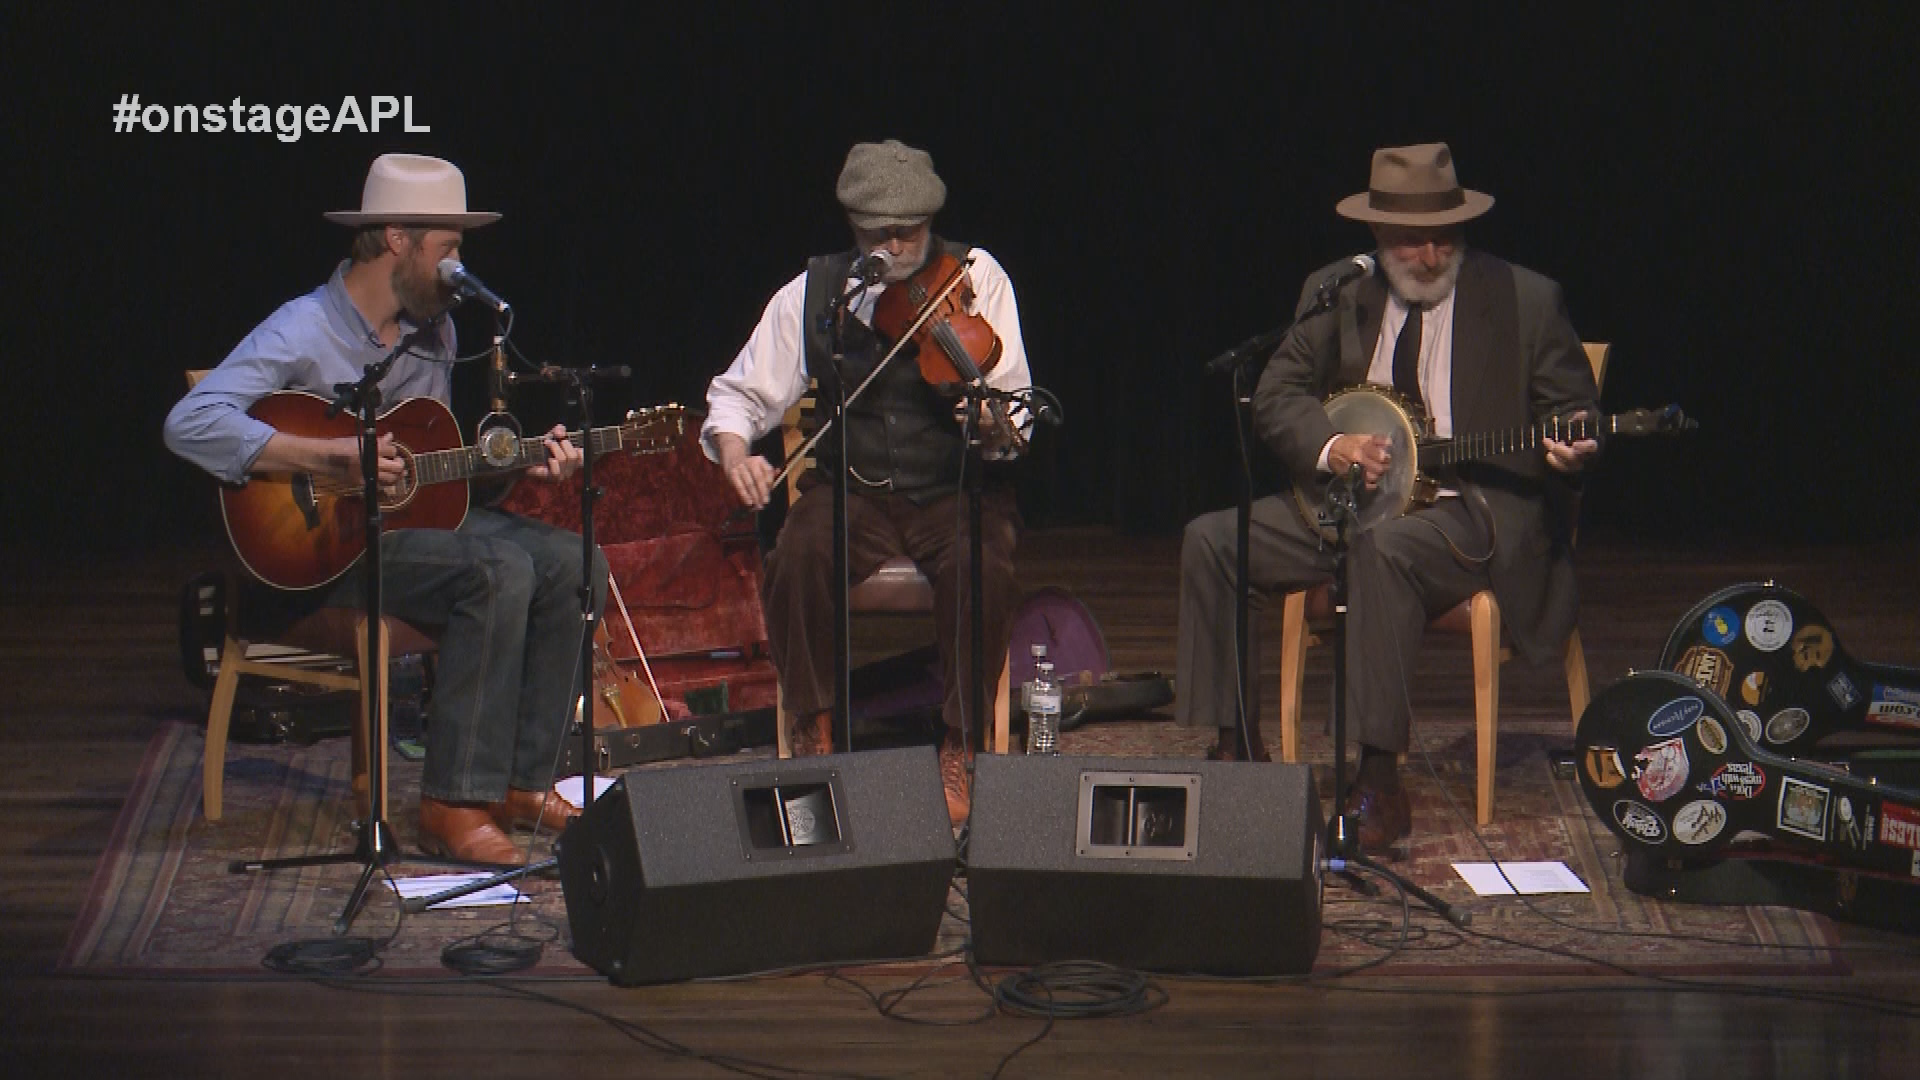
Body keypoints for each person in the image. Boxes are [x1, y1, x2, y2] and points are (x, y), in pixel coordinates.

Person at [165, 153, 607, 864]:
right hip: (321, 549)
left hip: (406, 530)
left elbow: (432, 480)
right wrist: (328, 457)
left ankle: (522, 780)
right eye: (449, 249)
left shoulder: (438, 333)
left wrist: (524, 466)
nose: (459, 268)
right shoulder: (302, 328)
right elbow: (190, 422)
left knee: (571, 560)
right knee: (495, 570)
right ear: (397, 239)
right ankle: (452, 802)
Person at [1175, 142, 1600, 851]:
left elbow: (1575, 414)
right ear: (1377, 236)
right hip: (1354, 499)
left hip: (1470, 508)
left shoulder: (1525, 298)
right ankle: (1236, 755)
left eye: (1444, 238)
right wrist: (1330, 445)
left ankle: (1376, 780)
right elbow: (1277, 392)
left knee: (1383, 550)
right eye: (1411, 241)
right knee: (1216, 540)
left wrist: (1577, 449)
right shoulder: (1340, 290)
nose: (1430, 257)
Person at [702, 139, 1032, 826]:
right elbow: (740, 394)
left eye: (911, 230)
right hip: (854, 489)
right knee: (797, 553)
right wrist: (736, 452)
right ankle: (813, 722)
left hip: (952, 488)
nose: (899, 244)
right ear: (856, 230)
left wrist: (993, 424)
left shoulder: (976, 276)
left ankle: (962, 743)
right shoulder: (817, 292)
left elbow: (1016, 412)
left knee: (984, 561)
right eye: (882, 233)